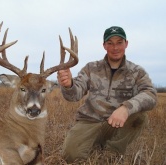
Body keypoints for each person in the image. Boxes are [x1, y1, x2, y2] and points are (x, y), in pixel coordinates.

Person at [57, 26, 157, 163]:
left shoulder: (136, 72)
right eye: (110, 43)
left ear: (126, 44)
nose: (115, 47)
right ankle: (96, 144)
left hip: (117, 124)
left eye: (119, 42)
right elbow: (74, 95)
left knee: (140, 117)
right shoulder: (91, 68)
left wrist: (126, 108)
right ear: (104, 46)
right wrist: (68, 85)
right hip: (89, 122)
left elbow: (150, 95)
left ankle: (112, 153)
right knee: (70, 157)